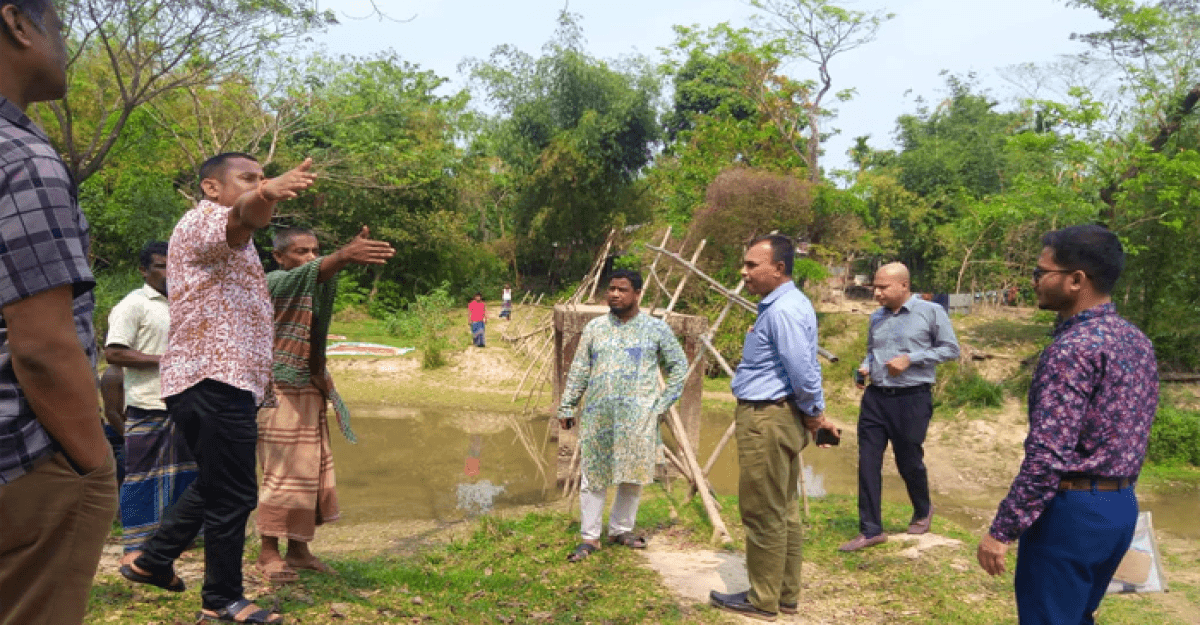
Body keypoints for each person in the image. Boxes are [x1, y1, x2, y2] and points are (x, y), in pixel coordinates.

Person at [120, 152, 316, 625]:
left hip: (221, 380)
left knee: (217, 484)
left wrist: (261, 194)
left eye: (263, 178)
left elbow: (246, 220)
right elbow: (241, 216)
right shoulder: (202, 222)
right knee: (234, 494)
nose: (259, 184)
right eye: (247, 178)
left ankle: (151, 560)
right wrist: (265, 193)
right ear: (211, 188)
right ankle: (222, 599)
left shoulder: (239, 243)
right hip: (213, 377)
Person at [0, 2, 120, 622]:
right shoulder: (23, 157)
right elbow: (41, 347)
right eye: (63, 27)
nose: (69, 46)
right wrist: (93, 463)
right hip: (24, 457)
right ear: (19, 24)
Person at [978, 225, 1157, 625]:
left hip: (1070, 516)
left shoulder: (1072, 350)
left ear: (1076, 280)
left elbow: (1047, 457)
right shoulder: (1136, 341)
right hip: (1120, 508)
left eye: (1042, 272)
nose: (1035, 281)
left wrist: (1002, 530)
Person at [709, 235, 839, 622]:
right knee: (784, 510)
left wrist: (815, 414)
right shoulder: (789, 305)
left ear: (778, 269)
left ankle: (762, 600)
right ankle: (784, 595)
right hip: (779, 416)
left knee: (762, 512)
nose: (744, 272)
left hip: (766, 418)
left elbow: (802, 370)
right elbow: (802, 368)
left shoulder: (782, 311)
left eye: (752, 265)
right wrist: (813, 413)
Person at [255, 225, 393, 583]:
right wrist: (344, 255)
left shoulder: (318, 286)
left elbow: (317, 333)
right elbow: (305, 277)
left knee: (311, 471)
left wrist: (319, 373)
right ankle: (268, 551)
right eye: (301, 251)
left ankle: (299, 550)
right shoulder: (271, 283)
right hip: (276, 388)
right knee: (281, 472)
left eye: (315, 250)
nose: (310, 258)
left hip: (307, 387)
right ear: (279, 257)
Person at [557, 269, 688, 562]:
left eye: (622, 289)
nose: (614, 294)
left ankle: (620, 529)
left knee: (632, 476)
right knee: (594, 476)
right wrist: (568, 405)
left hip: (638, 419)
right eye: (611, 288)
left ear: (637, 294)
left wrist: (662, 404)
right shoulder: (595, 329)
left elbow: (679, 366)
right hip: (598, 415)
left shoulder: (656, 329)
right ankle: (590, 537)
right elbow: (579, 369)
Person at [839, 262, 960, 552]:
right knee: (867, 462)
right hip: (875, 399)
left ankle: (922, 508)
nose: (876, 293)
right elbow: (872, 351)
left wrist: (912, 358)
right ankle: (871, 529)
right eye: (875, 287)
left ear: (904, 286)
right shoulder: (876, 318)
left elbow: (950, 349)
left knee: (908, 461)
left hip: (912, 398)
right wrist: (865, 368)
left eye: (883, 287)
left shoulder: (931, 312)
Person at [106, 241, 199, 559]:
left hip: (188, 402)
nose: (171, 271)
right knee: (142, 477)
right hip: (149, 404)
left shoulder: (188, 303)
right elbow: (114, 351)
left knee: (188, 473)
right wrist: (164, 359)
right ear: (144, 271)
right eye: (162, 265)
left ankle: (182, 539)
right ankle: (135, 546)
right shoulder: (133, 305)